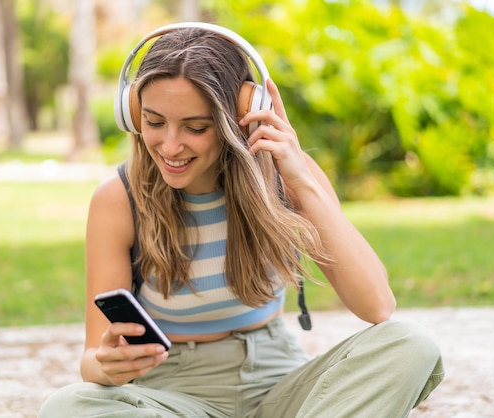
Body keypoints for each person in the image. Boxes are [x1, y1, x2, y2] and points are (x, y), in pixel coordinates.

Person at [39, 22, 444, 418]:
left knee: (411, 344)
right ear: (132, 113)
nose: (170, 145)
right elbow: (92, 360)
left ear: (241, 116)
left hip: (279, 385)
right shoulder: (118, 199)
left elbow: (377, 306)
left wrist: (300, 177)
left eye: (195, 127)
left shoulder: (287, 177)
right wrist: (107, 366)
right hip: (173, 396)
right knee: (67, 407)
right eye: (154, 122)